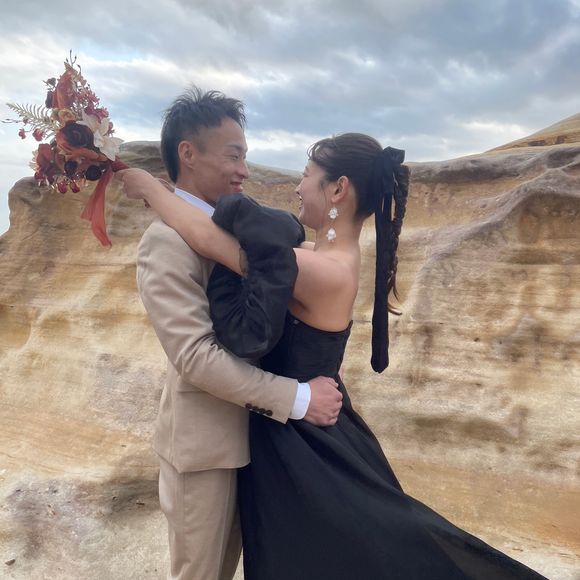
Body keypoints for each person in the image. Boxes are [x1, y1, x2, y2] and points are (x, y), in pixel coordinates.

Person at [121, 131, 548, 579]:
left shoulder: (320, 270)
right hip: (298, 431)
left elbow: (209, 240)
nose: (298, 187)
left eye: (306, 175)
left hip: (303, 445)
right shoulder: (318, 255)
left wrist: (152, 189)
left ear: (338, 189)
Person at [127, 88, 343, 580]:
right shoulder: (164, 242)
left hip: (262, 439)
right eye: (233, 155)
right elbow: (195, 356)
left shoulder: (236, 225)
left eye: (245, 156)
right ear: (188, 153)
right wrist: (297, 398)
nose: (244, 170)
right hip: (205, 451)